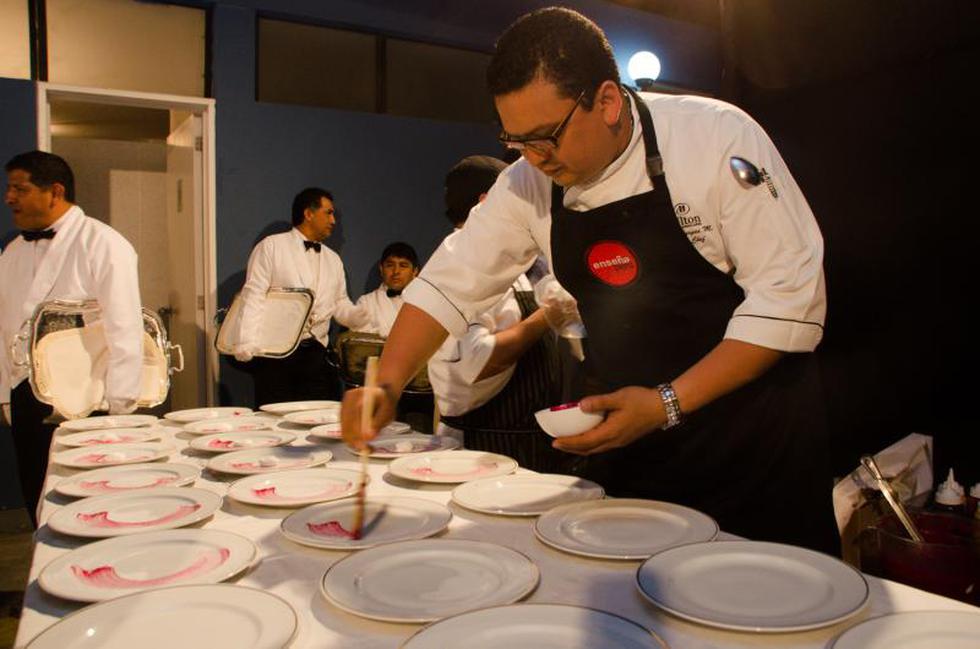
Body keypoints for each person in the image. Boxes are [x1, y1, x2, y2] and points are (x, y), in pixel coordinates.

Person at [343, 7, 836, 552]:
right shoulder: (528, 181)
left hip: (754, 449)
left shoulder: (714, 139)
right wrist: (385, 383)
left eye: (545, 138)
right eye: (517, 141)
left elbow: (790, 301)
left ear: (605, 101)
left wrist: (666, 403)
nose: (533, 157)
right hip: (637, 450)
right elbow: (447, 287)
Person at [1, 151, 143, 525]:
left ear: (54, 191)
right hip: (25, 395)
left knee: (90, 504)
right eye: (9, 188)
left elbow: (124, 327)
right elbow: (5, 325)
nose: (9, 198)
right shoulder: (12, 252)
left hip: (88, 399)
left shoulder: (104, 243)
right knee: (38, 497)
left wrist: (120, 408)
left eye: (20, 188)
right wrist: (4, 394)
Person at [428, 155, 566, 472]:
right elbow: (474, 362)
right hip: (485, 449)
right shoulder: (466, 267)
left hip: (529, 444)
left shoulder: (517, 263)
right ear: (487, 202)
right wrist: (545, 317)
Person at [235, 187, 367, 406]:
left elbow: (339, 303)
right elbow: (254, 294)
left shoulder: (333, 260)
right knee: (275, 421)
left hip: (316, 356)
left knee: (316, 422)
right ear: (309, 213)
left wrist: (356, 316)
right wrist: (247, 342)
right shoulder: (271, 246)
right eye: (329, 212)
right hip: (276, 355)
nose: (333, 220)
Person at [353, 242, 419, 337]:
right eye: (390, 265)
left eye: (403, 265)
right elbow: (358, 339)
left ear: (415, 271)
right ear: (381, 269)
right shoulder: (366, 302)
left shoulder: (425, 304)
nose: (396, 271)